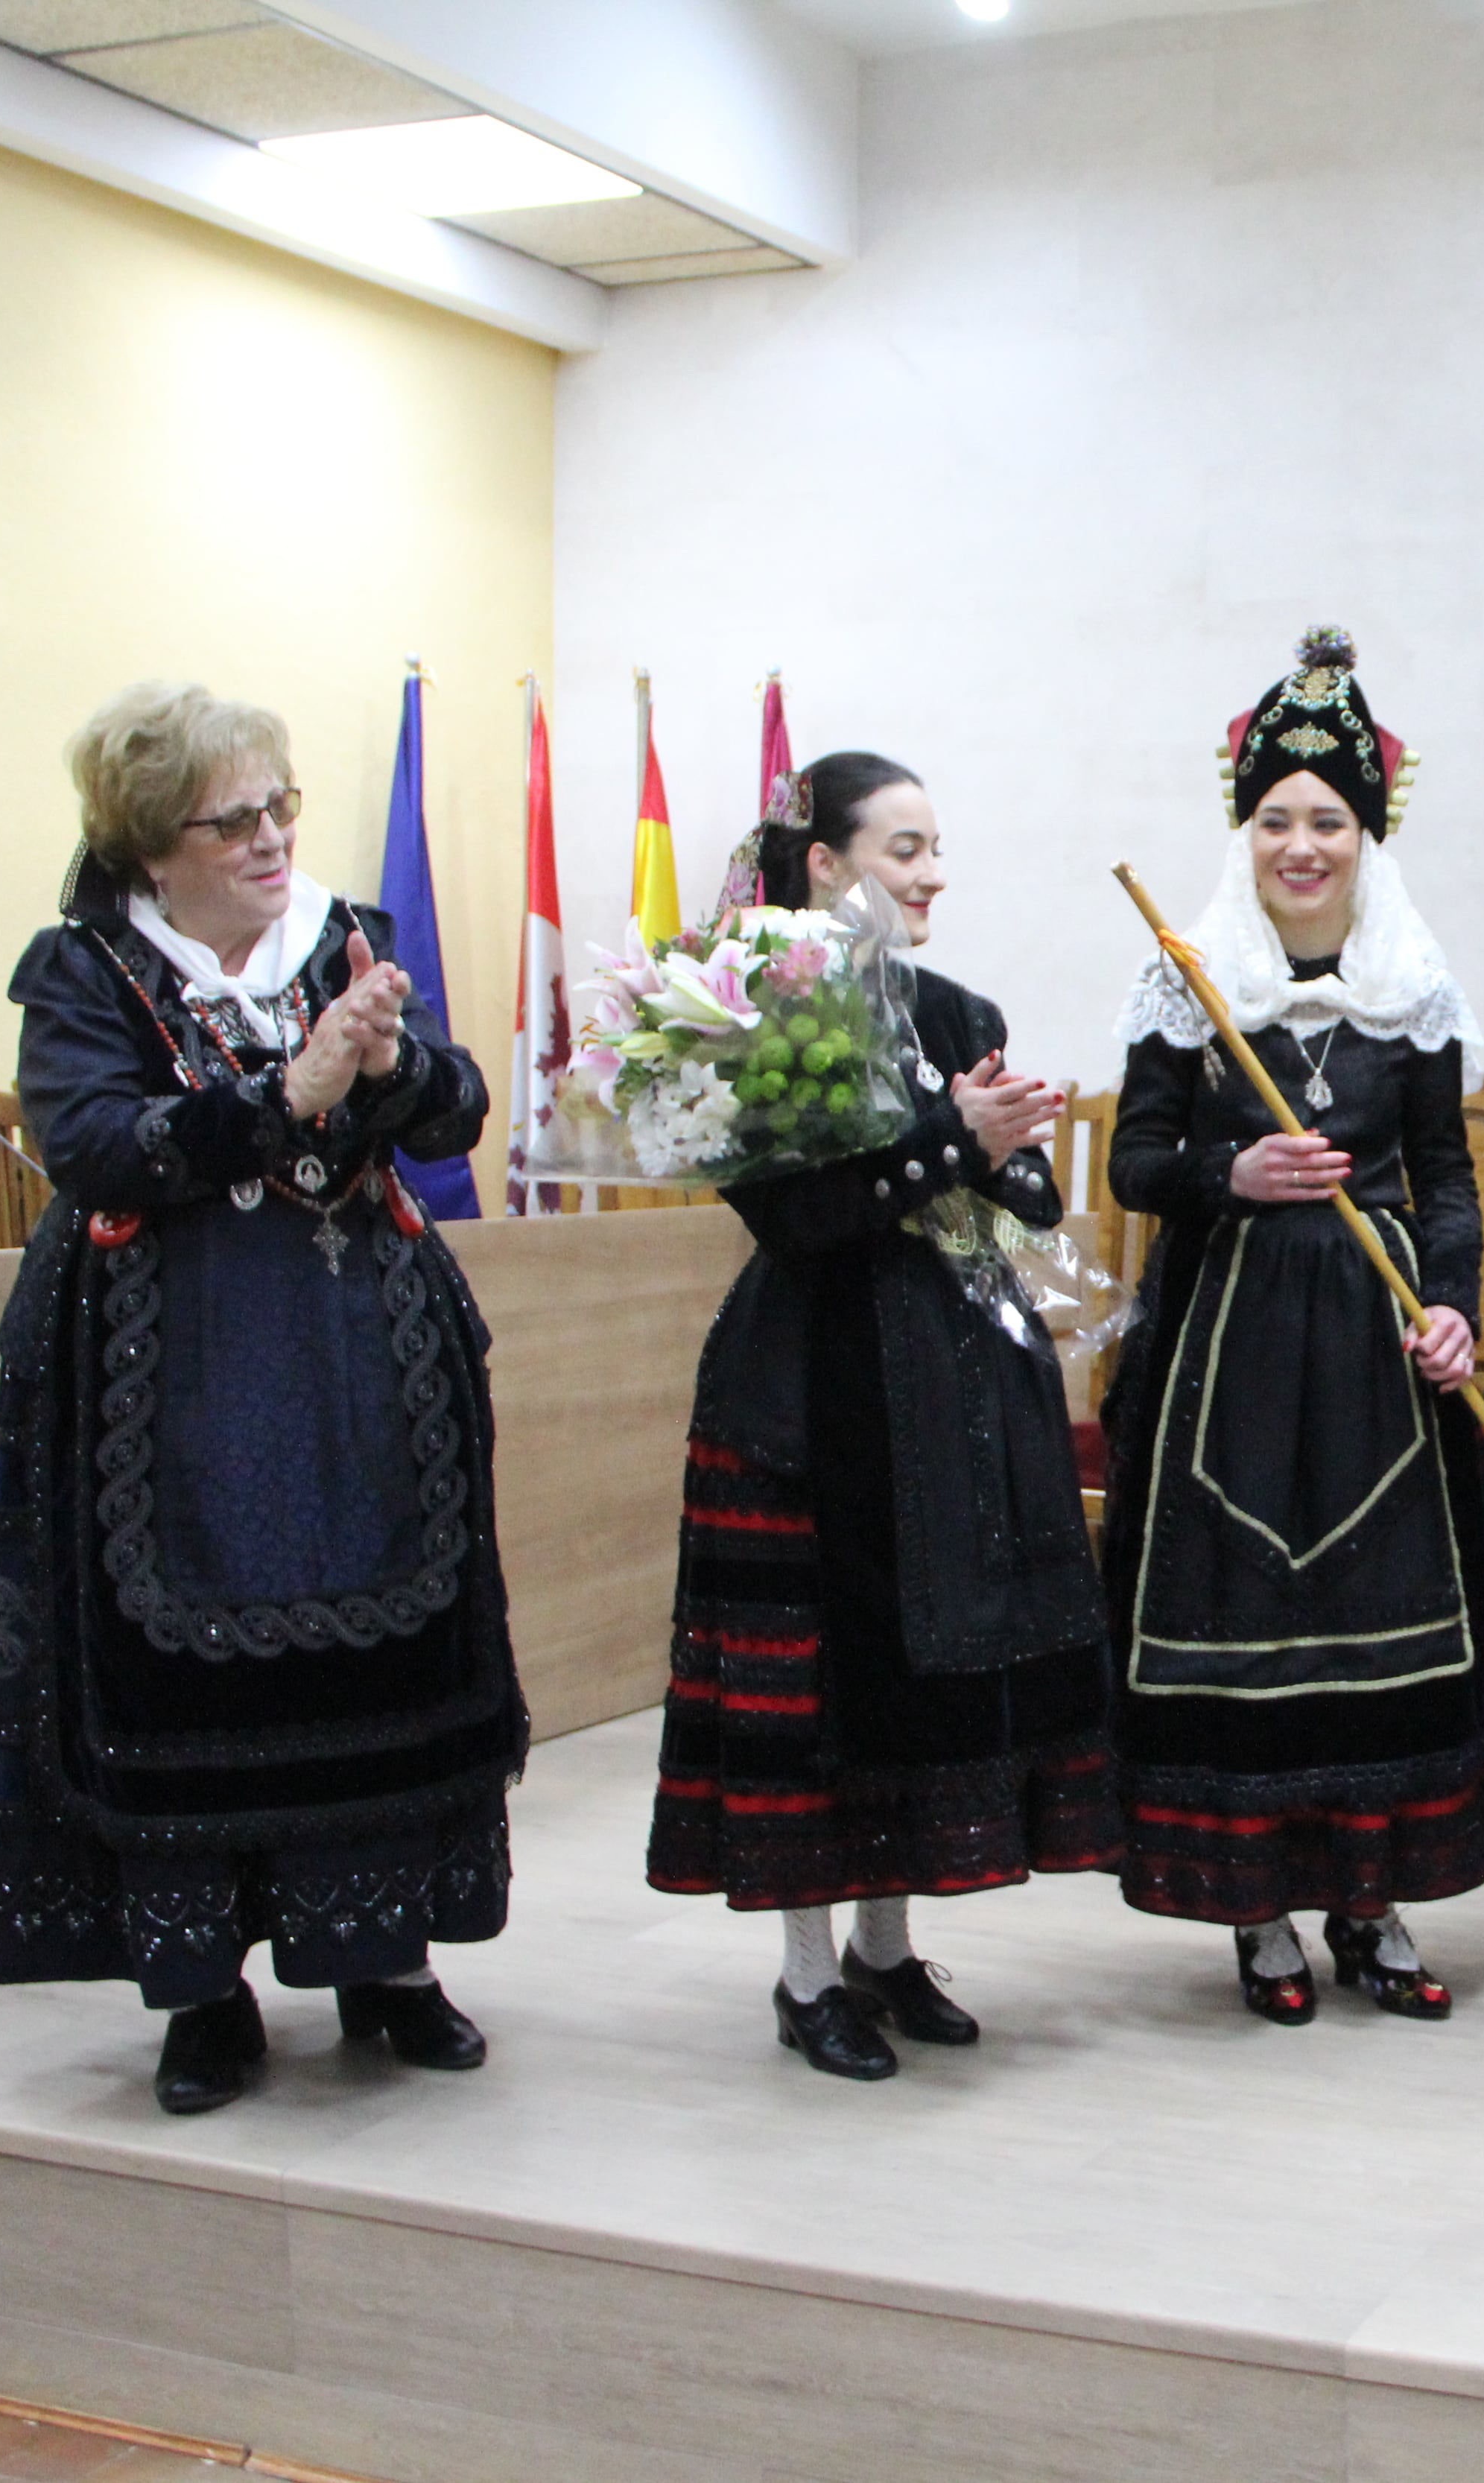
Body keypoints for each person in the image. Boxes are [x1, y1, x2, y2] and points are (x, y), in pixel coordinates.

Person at [0, 680, 524, 2115]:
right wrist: (282, 1097)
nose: (275, 836)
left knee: (385, 1646)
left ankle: (387, 1965)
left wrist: (393, 1065)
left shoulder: (352, 936)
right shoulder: (85, 965)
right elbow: (95, 1147)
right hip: (168, 1377)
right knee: (187, 1665)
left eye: (283, 804)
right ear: (154, 846)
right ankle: (204, 1991)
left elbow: (459, 1111)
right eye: (237, 819)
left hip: (360, 1361)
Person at [645, 752, 1120, 2081]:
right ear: (827, 866)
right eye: (904, 848)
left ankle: (885, 1950)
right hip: (809, 1387)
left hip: (952, 1375)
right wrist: (952, 1141)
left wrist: (1010, 1144)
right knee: (815, 1700)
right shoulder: (752, 1007)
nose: (932, 874)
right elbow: (800, 1217)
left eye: (935, 848)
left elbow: (1017, 1201)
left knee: (920, 1683)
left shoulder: (957, 1003)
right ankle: (807, 1981)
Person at [1103, 627, 1484, 2022]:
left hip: (1375, 1351)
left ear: (1368, 834)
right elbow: (1135, 1167)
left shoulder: (1413, 985)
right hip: (1224, 1352)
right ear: (1247, 832)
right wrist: (1224, 1176)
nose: (1304, 843)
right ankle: (1261, 1917)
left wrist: (1457, 1315)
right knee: (1250, 1614)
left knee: (1378, 1619)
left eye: (1329, 820)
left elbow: (1451, 1181)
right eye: (1278, 818)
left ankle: (1375, 1901)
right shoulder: (1191, 975)